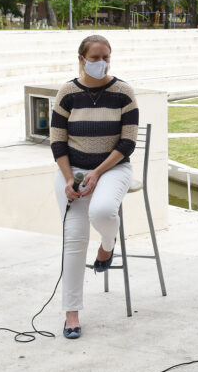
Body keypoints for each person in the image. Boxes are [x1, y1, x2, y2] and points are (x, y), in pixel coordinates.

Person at [49, 35, 138, 339]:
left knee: (101, 211)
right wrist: (68, 179)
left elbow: (128, 142)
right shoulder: (68, 92)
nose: (102, 63)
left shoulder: (124, 92)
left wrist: (98, 172)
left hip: (113, 167)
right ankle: (71, 313)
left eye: (106, 57)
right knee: (73, 237)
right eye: (96, 57)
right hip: (71, 168)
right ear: (81, 59)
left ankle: (107, 246)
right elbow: (57, 141)